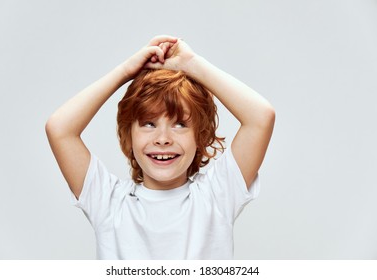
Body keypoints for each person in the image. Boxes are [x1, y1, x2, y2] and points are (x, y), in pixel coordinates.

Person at [45, 35, 275, 259]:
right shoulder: (109, 202)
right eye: (148, 124)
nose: (163, 138)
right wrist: (125, 72)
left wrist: (191, 63)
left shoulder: (217, 196)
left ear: (200, 136)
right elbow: (59, 129)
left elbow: (260, 117)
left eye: (179, 125)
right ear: (128, 134)